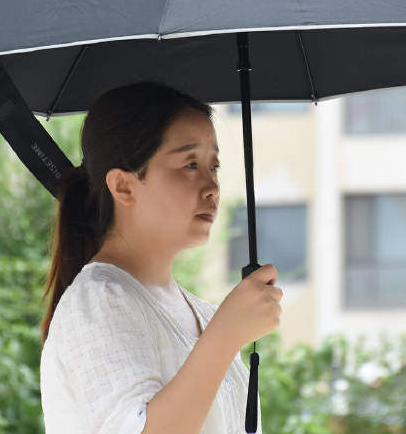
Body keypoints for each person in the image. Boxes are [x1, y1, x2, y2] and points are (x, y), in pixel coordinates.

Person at [39, 81, 282, 434]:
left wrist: (222, 331)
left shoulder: (202, 314)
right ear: (124, 186)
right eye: (189, 164)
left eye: (213, 166)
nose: (212, 186)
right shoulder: (97, 303)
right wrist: (225, 335)